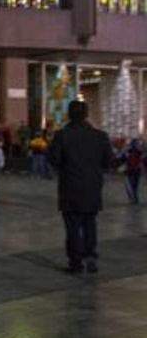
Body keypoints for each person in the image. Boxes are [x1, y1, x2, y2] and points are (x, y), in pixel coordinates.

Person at [48, 100, 113, 274]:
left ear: (69, 114)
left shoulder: (62, 135)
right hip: (92, 188)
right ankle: (90, 257)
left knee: (73, 227)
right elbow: (109, 161)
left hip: (70, 188)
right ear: (86, 114)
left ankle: (76, 263)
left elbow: (53, 160)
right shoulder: (100, 136)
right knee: (90, 223)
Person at [120, 138, 143, 204]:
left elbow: (122, 159)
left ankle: (133, 198)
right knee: (134, 186)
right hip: (136, 171)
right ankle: (135, 198)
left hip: (130, 171)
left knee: (130, 186)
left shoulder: (128, 151)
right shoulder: (139, 152)